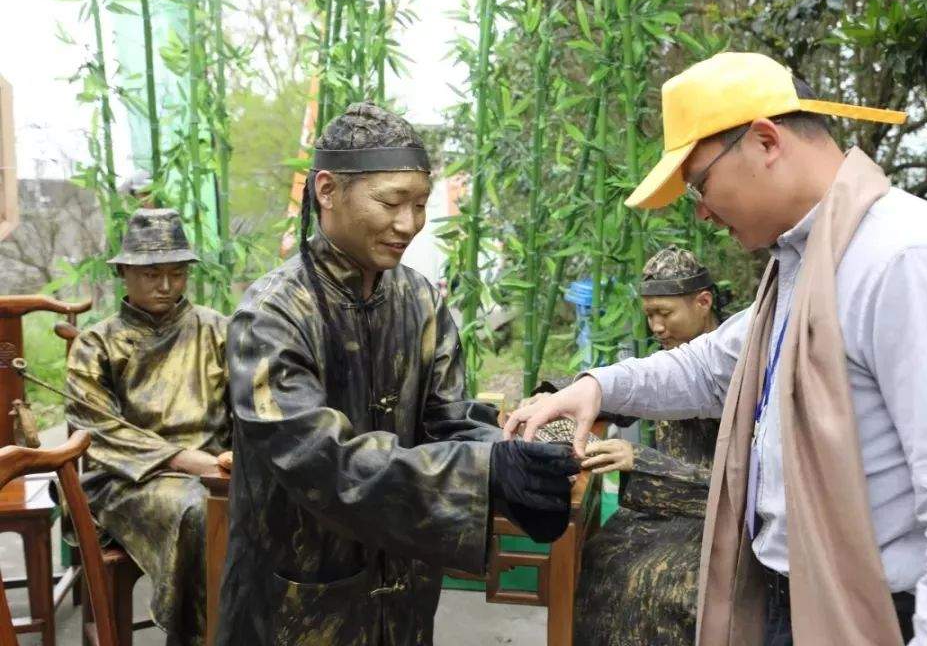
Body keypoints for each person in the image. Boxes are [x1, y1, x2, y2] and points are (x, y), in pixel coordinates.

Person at [505, 52, 927, 646]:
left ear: (765, 141)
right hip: (793, 599)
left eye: (701, 184)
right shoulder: (801, 266)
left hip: (881, 615)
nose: (703, 211)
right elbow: (711, 368)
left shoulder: (906, 260)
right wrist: (595, 388)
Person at [216, 102, 579, 645]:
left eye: (420, 204)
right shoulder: (272, 315)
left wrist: (514, 463)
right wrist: (485, 473)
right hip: (299, 603)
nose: (408, 224)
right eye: (391, 202)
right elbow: (319, 459)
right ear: (328, 191)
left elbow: (447, 419)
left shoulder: (417, 300)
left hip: (404, 591)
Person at [66, 208, 231, 646]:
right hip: (126, 479)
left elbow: (253, 408)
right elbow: (95, 429)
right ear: (123, 271)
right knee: (199, 510)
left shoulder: (219, 331)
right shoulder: (96, 343)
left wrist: (237, 457)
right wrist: (181, 459)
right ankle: (198, 635)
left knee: (278, 501)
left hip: (218, 470)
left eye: (177, 274)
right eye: (152, 274)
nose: (165, 286)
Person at [571, 245, 729, 646]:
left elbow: (740, 485)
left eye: (665, 313)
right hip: (658, 504)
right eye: (649, 316)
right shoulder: (669, 359)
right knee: (599, 555)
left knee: (657, 584)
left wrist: (640, 461)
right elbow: (626, 393)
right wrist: (560, 396)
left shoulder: (735, 364)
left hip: (713, 513)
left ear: (703, 301)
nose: (656, 327)